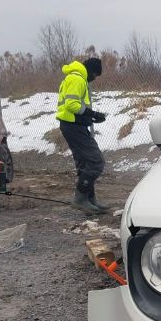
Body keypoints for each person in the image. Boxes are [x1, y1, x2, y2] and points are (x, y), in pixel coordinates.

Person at [55, 57, 110, 214]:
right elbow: (71, 105)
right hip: (73, 126)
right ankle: (80, 199)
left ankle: (89, 200)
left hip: (73, 125)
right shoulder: (77, 79)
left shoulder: (75, 77)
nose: (94, 79)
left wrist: (90, 117)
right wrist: (92, 113)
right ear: (91, 71)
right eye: (95, 75)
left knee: (85, 162)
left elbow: (75, 106)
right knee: (96, 161)